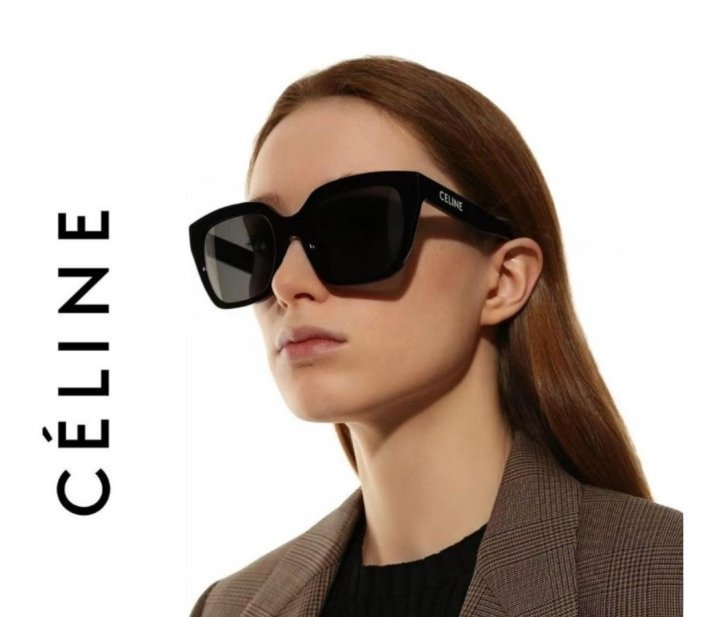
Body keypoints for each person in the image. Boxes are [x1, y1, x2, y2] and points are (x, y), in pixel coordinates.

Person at [187, 55, 683, 616]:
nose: (285, 282)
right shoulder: (230, 606)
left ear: (503, 280)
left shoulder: (670, 580)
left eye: (359, 226)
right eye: (260, 243)